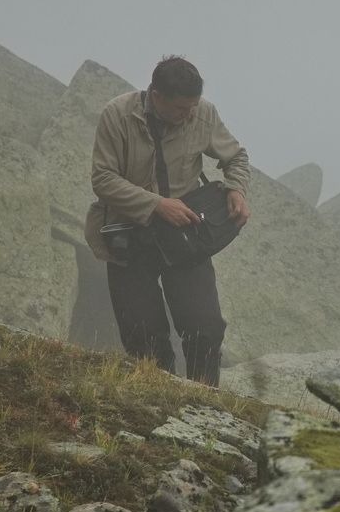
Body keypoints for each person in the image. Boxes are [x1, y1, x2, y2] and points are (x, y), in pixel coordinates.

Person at [84, 56, 250, 385]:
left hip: (184, 237)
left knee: (205, 325)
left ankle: (205, 404)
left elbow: (236, 157)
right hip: (128, 238)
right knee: (143, 333)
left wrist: (237, 189)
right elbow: (102, 179)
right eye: (180, 109)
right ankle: (159, 396)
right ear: (156, 95)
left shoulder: (203, 113)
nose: (188, 115)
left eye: (193, 106)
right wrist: (157, 205)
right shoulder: (117, 115)